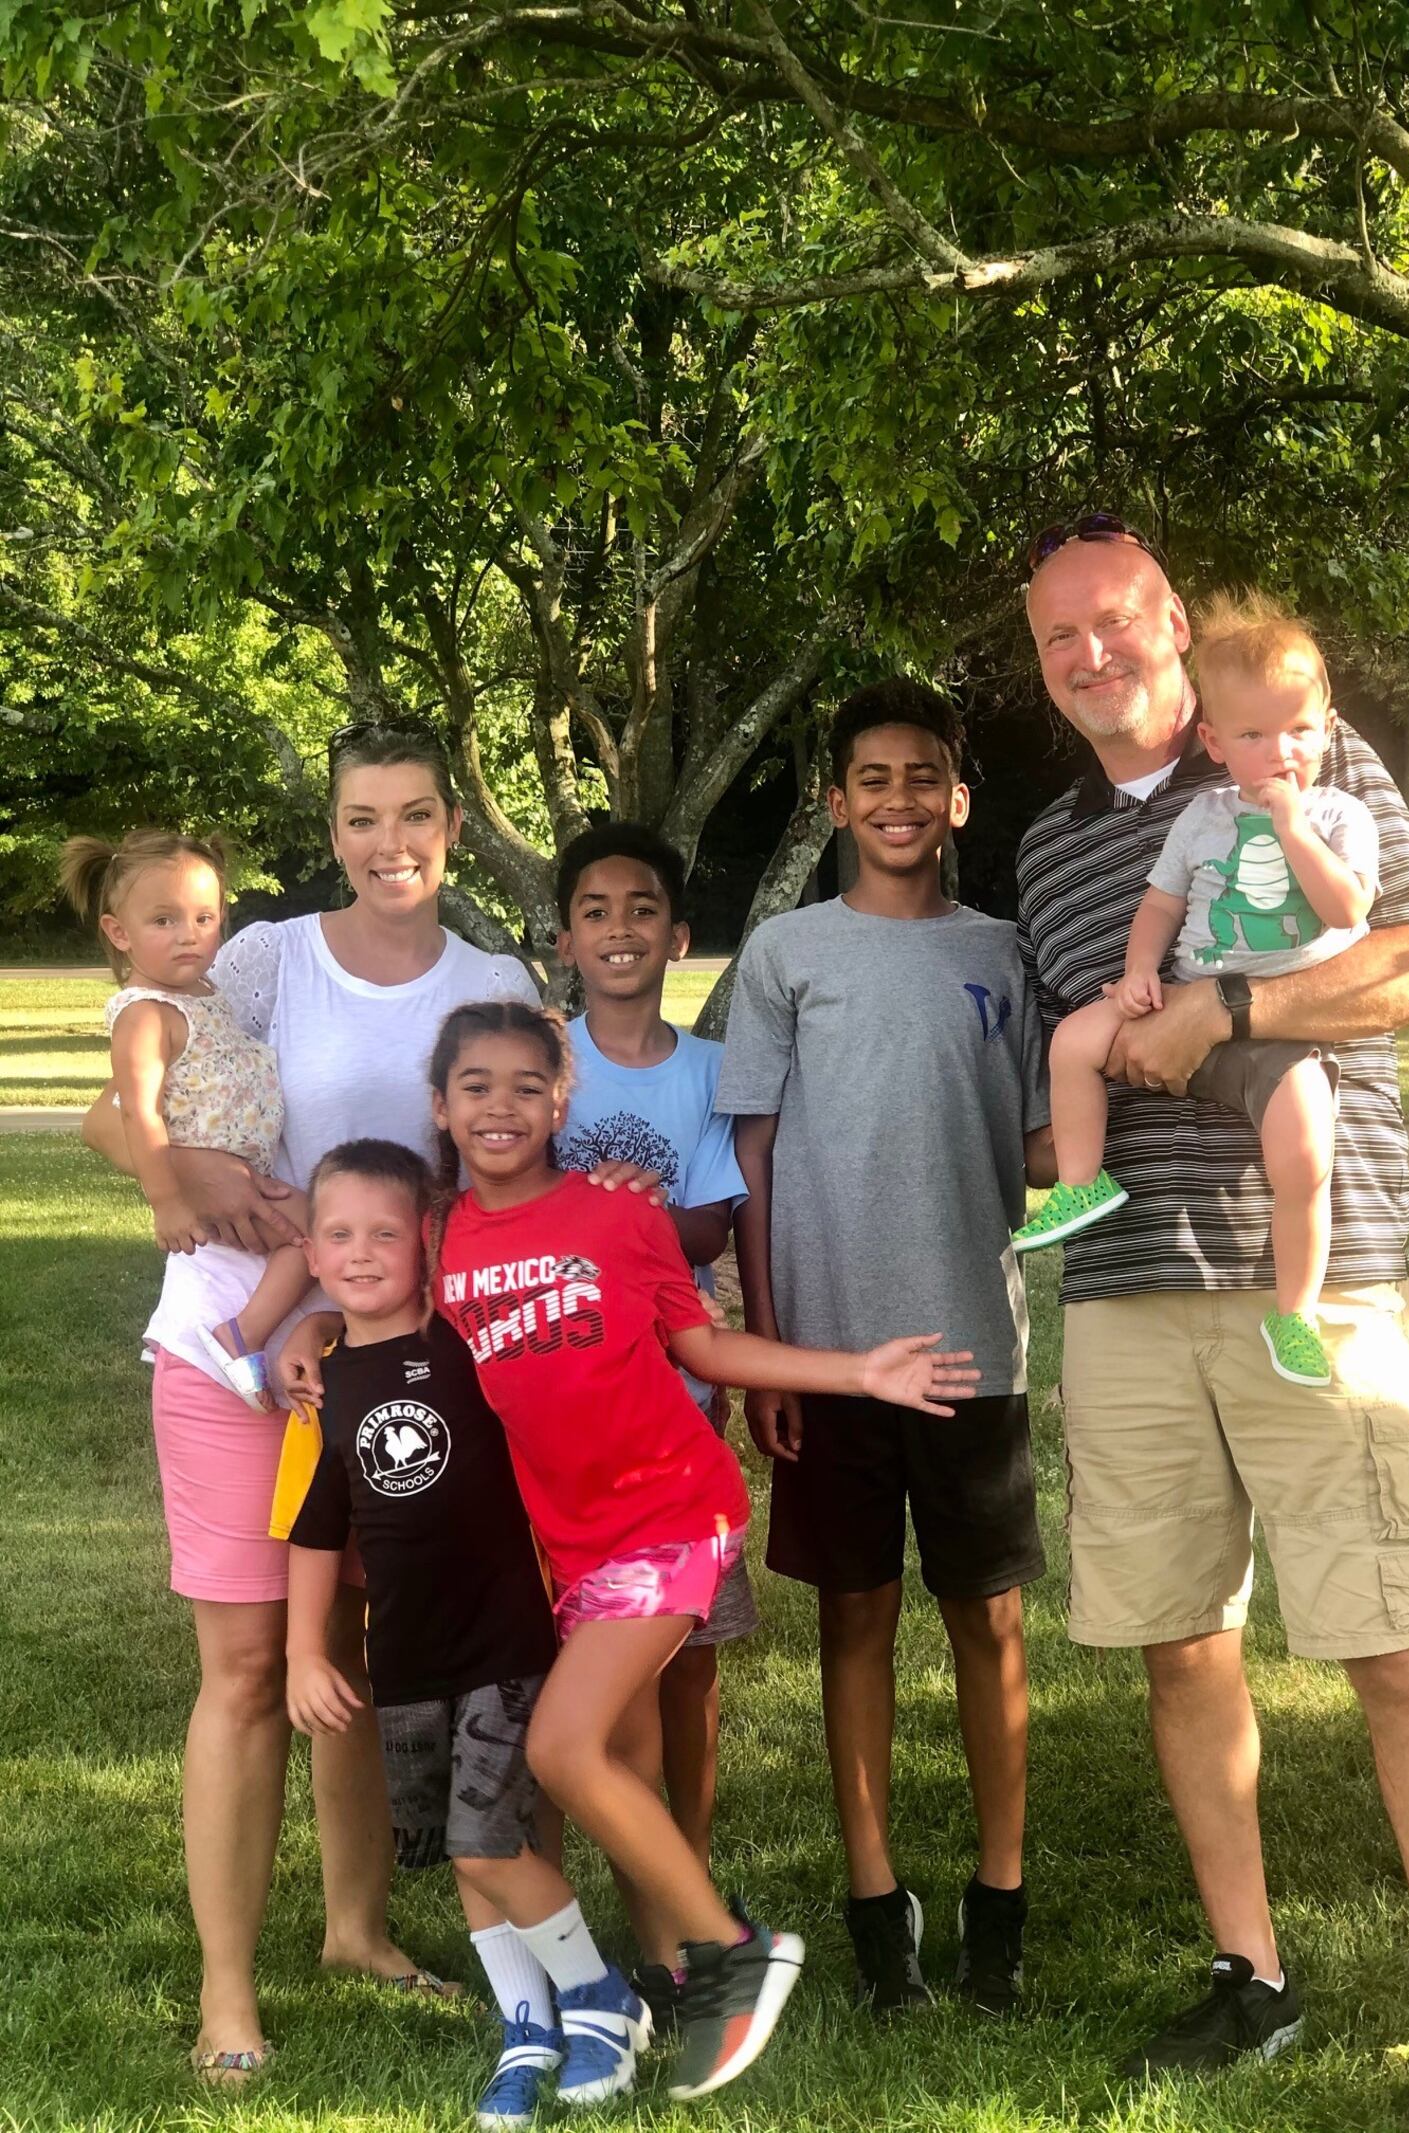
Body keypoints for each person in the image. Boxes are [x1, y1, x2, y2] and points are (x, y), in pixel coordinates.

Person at [1016, 514, 1409, 2133]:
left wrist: (1227, 1009)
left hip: (1323, 1276)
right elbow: (1067, 1067)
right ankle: (1255, 1974)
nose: (1092, 654)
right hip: (1127, 1294)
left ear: (1169, 620)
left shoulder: (1294, 744)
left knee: (1389, 1646)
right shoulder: (1043, 847)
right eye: (1058, 639)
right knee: (1184, 1644)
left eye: (1114, 620)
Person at [78, 726, 542, 2079]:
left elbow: (497, 1172)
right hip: (237, 1345)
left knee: (352, 1649)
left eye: (412, 815)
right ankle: (229, 1993)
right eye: (359, 817)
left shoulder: (492, 978)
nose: (387, 842)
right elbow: (126, 1107)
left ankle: (357, 1930)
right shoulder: (268, 955)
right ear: (331, 829)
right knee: (244, 1671)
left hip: (399, 1368)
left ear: (452, 825)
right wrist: (197, 1183)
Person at [419, 996, 979, 2099]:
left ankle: (735, 1948)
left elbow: (701, 1344)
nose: (502, 1106)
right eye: (475, 1087)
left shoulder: (621, 1216)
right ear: (440, 1107)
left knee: (561, 1753)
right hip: (570, 1543)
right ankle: (662, 1984)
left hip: (672, 1512)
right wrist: (313, 1336)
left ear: (562, 1102)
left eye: (529, 1087)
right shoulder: (447, 1238)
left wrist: (857, 1371)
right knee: (620, 1764)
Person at [717, 678, 1054, 2018]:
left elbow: (1046, 1156)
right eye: (875, 776)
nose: (901, 796)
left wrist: (1120, 1152)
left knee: (991, 1620)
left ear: (958, 798)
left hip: (975, 1351)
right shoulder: (787, 956)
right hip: (832, 1356)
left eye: (926, 775)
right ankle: (876, 1905)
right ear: (836, 799)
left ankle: (999, 1901)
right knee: (852, 1618)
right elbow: (751, 1153)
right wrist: (771, 1337)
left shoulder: (1006, 955)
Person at [285, 1139, 644, 2123]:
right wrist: (303, 1650)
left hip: (504, 1644)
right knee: (462, 1847)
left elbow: (566, 1330)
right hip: (406, 1662)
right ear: (311, 1253)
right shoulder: (324, 1382)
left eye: (385, 1234)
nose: (361, 1253)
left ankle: (596, 1996)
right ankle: (526, 2029)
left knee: (487, 1843)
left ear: (426, 1243)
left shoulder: (467, 1343)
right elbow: (318, 1527)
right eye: (339, 1235)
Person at [1012, 591, 1380, 1389]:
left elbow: (1348, 908)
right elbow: (1161, 904)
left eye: (1299, 730)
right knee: (1075, 1040)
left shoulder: (1341, 809)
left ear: (1327, 723)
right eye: (1253, 735)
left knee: (1306, 1152)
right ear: (1216, 742)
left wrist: (1292, 825)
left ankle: (1297, 1310)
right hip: (1182, 983)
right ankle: (1082, 1186)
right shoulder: (1202, 817)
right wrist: (1141, 971)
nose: (1280, 750)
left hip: (1282, 1026)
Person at [552, 822, 757, 2027]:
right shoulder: (545, 1061)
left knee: (690, 1673)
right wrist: (593, 1207)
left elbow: (715, 1229)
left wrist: (629, 1213)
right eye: (595, 908)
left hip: (676, 1415)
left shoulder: (710, 1072)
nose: (619, 928)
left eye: (642, 909)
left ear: (677, 936)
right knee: (601, 1691)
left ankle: (691, 1877)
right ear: (567, 935)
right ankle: (650, 1926)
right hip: (565, 1426)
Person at [60, 830, 315, 1410]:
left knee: (314, 1233)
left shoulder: (207, 993)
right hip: (214, 1184)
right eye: (164, 921)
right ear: (118, 932)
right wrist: (168, 1200)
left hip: (248, 1172)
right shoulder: (146, 1015)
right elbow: (138, 1113)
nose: (189, 936)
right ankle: (239, 1337)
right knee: (313, 1234)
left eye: (204, 918)